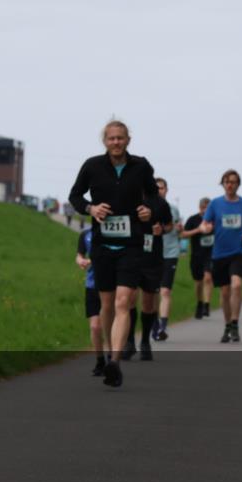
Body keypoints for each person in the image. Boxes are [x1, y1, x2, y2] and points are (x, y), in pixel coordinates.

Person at [69, 119, 158, 387]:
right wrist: (91, 209)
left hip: (131, 244)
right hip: (102, 246)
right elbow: (75, 196)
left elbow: (153, 196)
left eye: (120, 138)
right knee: (107, 304)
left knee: (123, 302)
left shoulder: (141, 166)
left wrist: (148, 209)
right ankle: (110, 352)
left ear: (128, 140)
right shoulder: (92, 166)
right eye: (111, 138)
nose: (116, 142)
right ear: (105, 141)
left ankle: (115, 362)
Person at [199, 170, 242, 343]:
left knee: (237, 285)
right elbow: (204, 223)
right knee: (224, 293)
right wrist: (205, 229)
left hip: (238, 252)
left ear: (238, 184)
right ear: (223, 184)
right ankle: (227, 326)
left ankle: (235, 323)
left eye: (233, 182)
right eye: (227, 182)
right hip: (219, 253)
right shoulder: (215, 204)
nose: (230, 185)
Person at [136, 188, 174, 359]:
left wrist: (162, 230)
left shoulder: (160, 203)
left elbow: (169, 224)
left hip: (152, 256)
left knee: (148, 301)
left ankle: (144, 341)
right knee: (127, 299)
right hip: (129, 254)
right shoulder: (126, 195)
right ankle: (128, 341)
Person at [76, 227, 109, 376]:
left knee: (109, 325)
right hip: (92, 285)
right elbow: (79, 255)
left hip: (110, 286)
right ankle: (100, 361)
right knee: (95, 327)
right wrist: (81, 261)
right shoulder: (85, 234)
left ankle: (112, 359)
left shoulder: (113, 231)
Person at [153, 177, 181, 341]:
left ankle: (163, 326)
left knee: (165, 290)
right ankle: (155, 323)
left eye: (162, 188)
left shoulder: (173, 209)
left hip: (170, 252)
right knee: (153, 292)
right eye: (156, 188)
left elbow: (177, 229)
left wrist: (178, 229)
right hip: (152, 254)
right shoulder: (147, 207)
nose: (159, 190)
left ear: (167, 190)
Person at [180, 197, 214, 318]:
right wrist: (198, 230)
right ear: (200, 208)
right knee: (198, 282)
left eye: (208, 208)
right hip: (196, 255)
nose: (206, 210)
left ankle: (207, 304)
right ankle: (200, 303)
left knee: (208, 278)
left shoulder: (215, 220)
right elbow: (183, 234)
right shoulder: (193, 219)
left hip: (211, 254)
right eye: (204, 207)